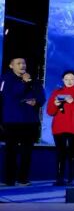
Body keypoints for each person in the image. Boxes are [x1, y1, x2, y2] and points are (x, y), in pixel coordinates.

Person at [1, 57, 44, 186]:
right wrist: (24, 83)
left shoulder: (33, 80)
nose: (22, 65)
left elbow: (41, 96)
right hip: (12, 120)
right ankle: (9, 179)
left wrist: (37, 101)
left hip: (29, 120)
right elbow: (9, 95)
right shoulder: (5, 79)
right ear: (11, 66)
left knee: (27, 151)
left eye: (24, 63)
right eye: (18, 63)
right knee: (11, 151)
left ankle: (23, 179)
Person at [45, 70, 74, 186]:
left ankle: (72, 178)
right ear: (63, 80)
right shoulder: (56, 93)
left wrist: (72, 102)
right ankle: (59, 178)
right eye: (66, 79)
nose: (69, 81)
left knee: (73, 154)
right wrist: (55, 105)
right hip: (59, 128)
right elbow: (50, 112)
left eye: (72, 79)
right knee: (60, 153)